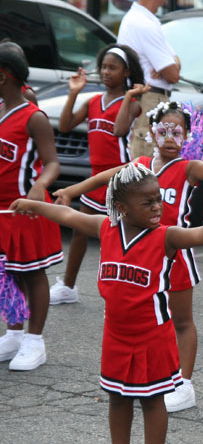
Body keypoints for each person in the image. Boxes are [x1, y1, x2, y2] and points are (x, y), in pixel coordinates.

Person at [10, 163, 203, 444]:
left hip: (152, 336)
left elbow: (197, 234)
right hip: (115, 334)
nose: (157, 206)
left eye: (158, 200)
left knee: (152, 399)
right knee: (117, 396)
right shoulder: (106, 229)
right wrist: (33, 205)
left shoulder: (165, 237)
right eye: (147, 202)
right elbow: (69, 217)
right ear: (120, 207)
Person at [53, 101, 203, 413]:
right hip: (142, 256)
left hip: (174, 253)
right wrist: (73, 191)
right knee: (148, 321)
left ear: (187, 137)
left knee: (181, 321)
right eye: (164, 131)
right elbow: (108, 178)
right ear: (153, 133)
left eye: (177, 132)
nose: (170, 138)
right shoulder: (140, 165)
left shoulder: (188, 167)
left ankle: (184, 384)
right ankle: (153, 377)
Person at [49, 44, 144, 305]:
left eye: (112, 68)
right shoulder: (92, 102)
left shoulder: (133, 104)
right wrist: (73, 93)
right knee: (80, 231)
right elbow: (66, 125)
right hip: (94, 178)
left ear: (126, 72)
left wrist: (126, 98)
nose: (105, 72)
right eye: (103, 66)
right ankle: (68, 286)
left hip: (119, 179)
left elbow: (118, 130)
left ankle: (129, 289)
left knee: (123, 237)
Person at [0, 42, 62, 371]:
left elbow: (52, 163)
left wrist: (39, 187)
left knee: (32, 273)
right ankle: (13, 333)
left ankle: (35, 341)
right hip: (0, 212)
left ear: (3, 77)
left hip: (25, 208)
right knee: (8, 275)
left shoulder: (33, 117)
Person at [117, 0, 180, 159]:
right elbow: (173, 75)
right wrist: (171, 65)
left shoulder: (138, 19)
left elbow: (173, 64)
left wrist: (172, 63)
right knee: (148, 167)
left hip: (147, 98)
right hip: (151, 99)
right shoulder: (144, 24)